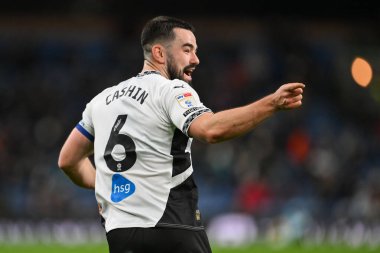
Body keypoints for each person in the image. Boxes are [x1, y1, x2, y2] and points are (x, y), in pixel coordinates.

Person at [58, 15, 305, 253]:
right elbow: (210, 130)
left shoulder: (101, 102)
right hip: (172, 225)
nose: (196, 59)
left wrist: (106, 184)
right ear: (159, 53)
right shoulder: (170, 90)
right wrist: (272, 103)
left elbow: (68, 160)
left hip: (120, 233)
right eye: (187, 49)